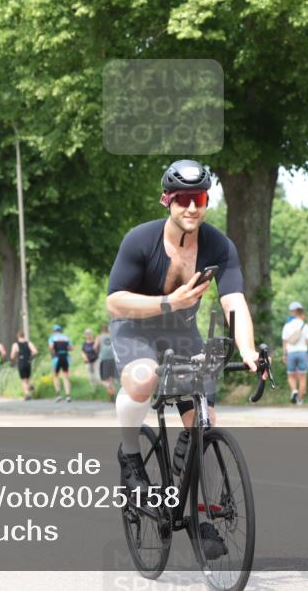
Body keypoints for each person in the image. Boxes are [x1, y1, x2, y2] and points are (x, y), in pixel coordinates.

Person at [107, 159, 261, 561]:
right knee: (143, 379)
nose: (192, 207)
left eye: (200, 198)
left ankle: (199, 511)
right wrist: (168, 301)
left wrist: (247, 350)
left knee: (205, 418)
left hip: (182, 332)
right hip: (136, 325)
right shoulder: (140, 240)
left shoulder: (218, 245)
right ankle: (129, 455)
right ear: (167, 201)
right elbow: (114, 299)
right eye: (183, 200)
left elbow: (235, 302)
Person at [281, 301, 308, 405]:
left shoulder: (287, 325)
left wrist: (284, 354)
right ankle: (299, 400)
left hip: (291, 353)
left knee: (291, 375)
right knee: (303, 377)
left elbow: (284, 341)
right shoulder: (306, 326)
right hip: (302, 352)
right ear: (302, 314)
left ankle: (294, 390)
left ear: (294, 313)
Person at [48, 324, 73, 402]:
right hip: (65, 357)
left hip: (57, 357)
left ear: (54, 331)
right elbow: (71, 348)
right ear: (60, 330)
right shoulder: (66, 337)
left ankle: (58, 395)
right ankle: (68, 395)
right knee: (66, 376)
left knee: (55, 376)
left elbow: (51, 348)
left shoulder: (52, 337)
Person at [10, 332, 38, 401]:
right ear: (24, 336)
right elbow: (35, 352)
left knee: (23, 379)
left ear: (18, 337)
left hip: (21, 361)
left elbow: (12, 356)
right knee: (27, 378)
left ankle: (27, 394)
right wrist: (30, 357)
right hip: (28, 361)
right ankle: (30, 384)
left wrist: (15, 359)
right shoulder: (29, 343)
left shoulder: (16, 345)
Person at [96, 323, 117, 403]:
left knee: (104, 379)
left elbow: (95, 347)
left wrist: (98, 352)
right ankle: (112, 398)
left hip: (104, 359)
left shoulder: (99, 337)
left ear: (102, 330)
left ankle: (111, 393)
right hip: (113, 359)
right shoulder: (112, 336)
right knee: (111, 378)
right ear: (108, 329)